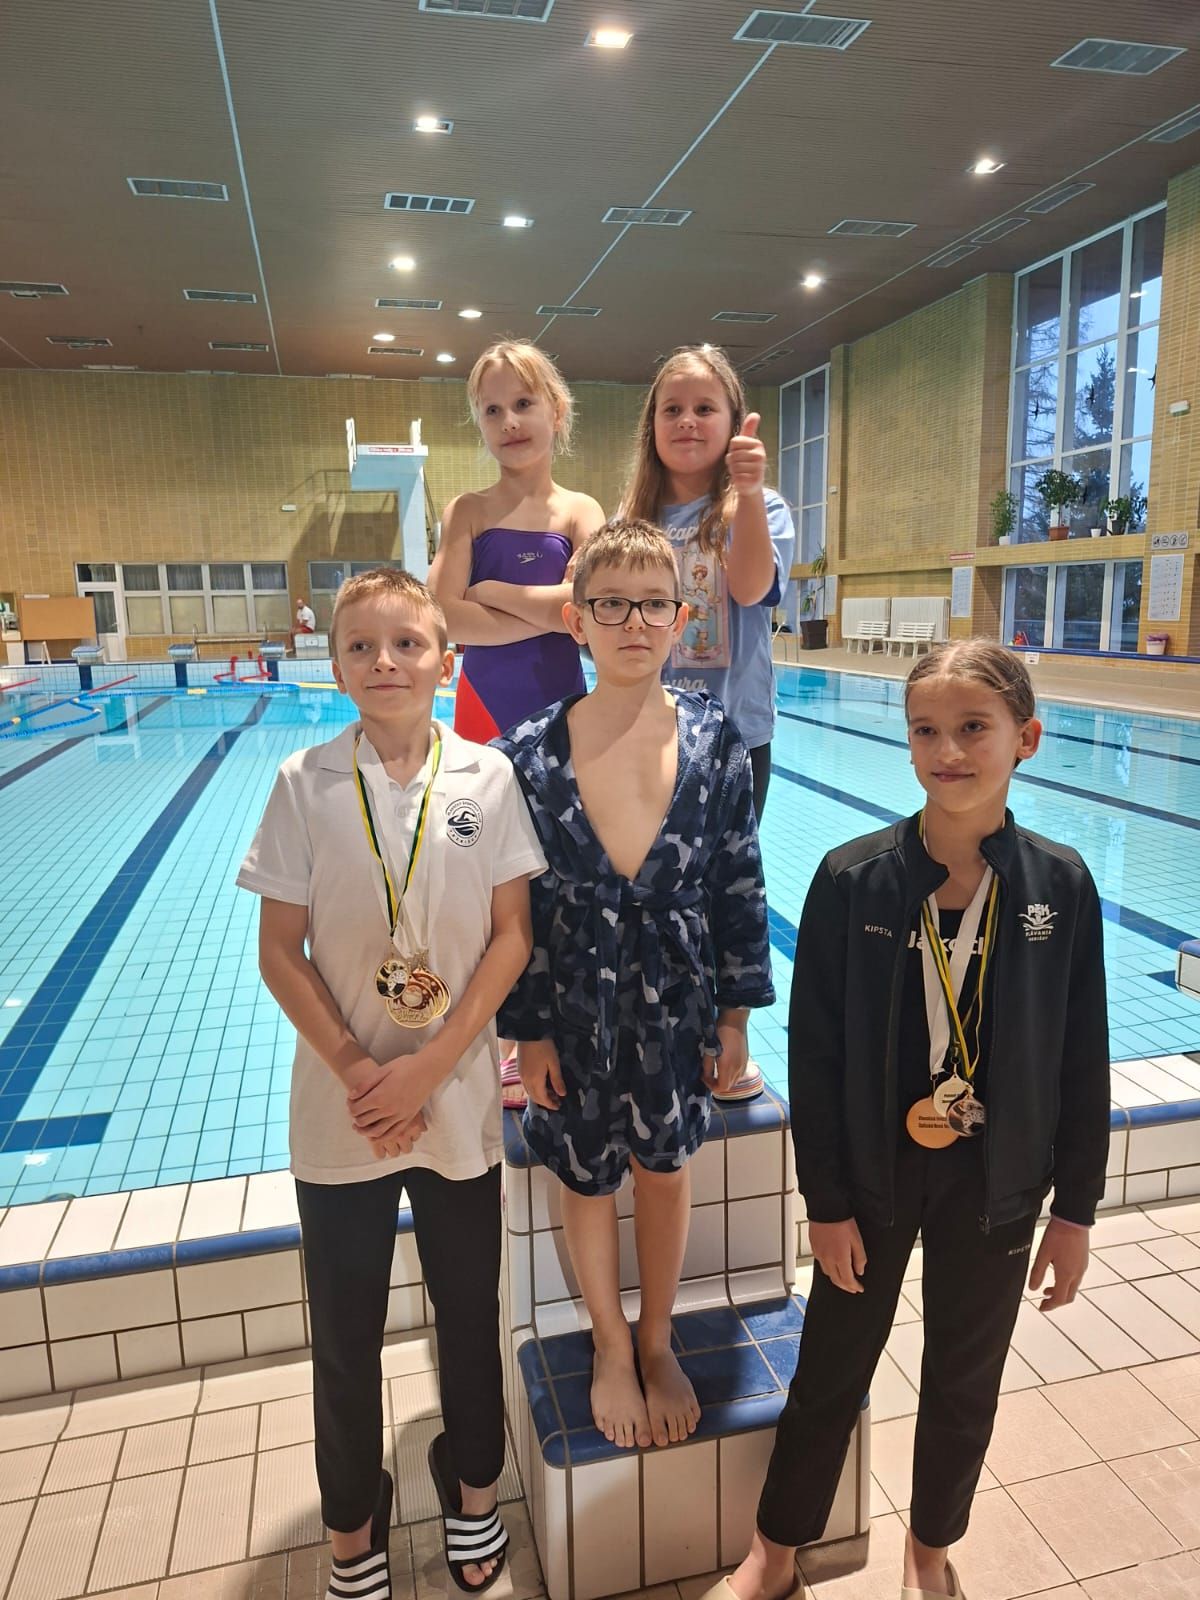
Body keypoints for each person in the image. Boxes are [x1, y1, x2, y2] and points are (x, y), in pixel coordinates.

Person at [712, 641, 1109, 1600]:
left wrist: (1075, 1210)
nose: (948, 752)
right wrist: (826, 1202)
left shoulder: (1059, 886)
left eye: (974, 728)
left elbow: (1082, 1056)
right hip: (875, 1173)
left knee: (965, 1378)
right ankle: (776, 1546)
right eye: (926, 731)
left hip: (999, 1177)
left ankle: (929, 1549)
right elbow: (816, 1054)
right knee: (833, 1365)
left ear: (1027, 738)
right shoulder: (856, 879)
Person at [237, 568, 546, 1599]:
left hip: (453, 1101)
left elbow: (512, 938)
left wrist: (431, 1064)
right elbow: (279, 951)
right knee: (345, 1334)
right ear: (334, 667)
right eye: (361, 646)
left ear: (445, 660)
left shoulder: (487, 778)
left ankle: (472, 1492)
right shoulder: (304, 781)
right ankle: (350, 1528)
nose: (386, 663)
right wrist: (365, 1071)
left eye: (408, 643)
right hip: (343, 1111)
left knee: (468, 1315)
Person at [496, 519, 775, 1453]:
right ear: (576, 620)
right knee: (584, 1174)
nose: (633, 623)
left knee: (665, 1167)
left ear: (681, 619)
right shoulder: (528, 754)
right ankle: (609, 1345)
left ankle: (657, 1338)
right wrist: (528, 1032)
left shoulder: (713, 739)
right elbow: (516, 907)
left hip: (675, 999)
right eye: (610, 605)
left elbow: (739, 882)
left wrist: (736, 1016)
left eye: (654, 605)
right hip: (572, 997)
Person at [624, 343, 795, 1103]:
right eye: (673, 408)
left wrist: (748, 493)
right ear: (652, 425)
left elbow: (752, 587)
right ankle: (660, 1023)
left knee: (729, 885)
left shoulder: (761, 507)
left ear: (732, 421)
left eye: (704, 408)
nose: (688, 421)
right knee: (651, 884)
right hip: (645, 731)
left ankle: (733, 1031)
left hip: (734, 738)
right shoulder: (632, 520)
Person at [428, 338, 606, 744]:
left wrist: (489, 592)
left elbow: (589, 611)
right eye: (493, 410)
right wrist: (553, 616)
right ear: (480, 424)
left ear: (557, 411)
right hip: (482, 705)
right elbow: (443, 617)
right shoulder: (467, 511)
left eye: (523, 403)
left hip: (562, 703)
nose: (508, 421)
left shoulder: (581, 511)